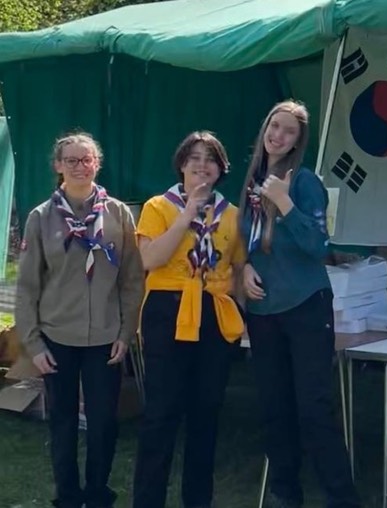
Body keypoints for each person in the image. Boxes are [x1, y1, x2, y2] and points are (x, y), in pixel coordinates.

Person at [239, 101, 360, 508]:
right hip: (263, 312)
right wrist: (244, 268)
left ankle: (342, 497)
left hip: (306, 305)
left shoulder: (304, 182)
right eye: (274, 126)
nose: (278, 136)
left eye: (288, 131)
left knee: (313, 408)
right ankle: (285, 492)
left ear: (298, 141)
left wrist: (285, 203)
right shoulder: (251, 181)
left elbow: (318, 246)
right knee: (274, 407)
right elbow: (247, 241)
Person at [15, 132, 144, 508]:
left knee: (104, 422)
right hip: (58, 337)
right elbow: (27, 286)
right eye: (71, 160)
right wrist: (33, 344)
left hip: (105, 336)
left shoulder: (117, 214)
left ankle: (98, 492)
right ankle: (68, 496)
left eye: (86, 159)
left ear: (97, 164)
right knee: (63, 421)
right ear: (58, 166)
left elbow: (132, 279)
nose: (79, 167)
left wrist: (126, 331)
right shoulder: (41, 217)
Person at [133, 131, 245, 508]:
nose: (202, 165)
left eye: (210, 158)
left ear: (221, 169)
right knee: (161, 414)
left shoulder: (232, 214)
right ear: (181, 164)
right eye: (194, 157)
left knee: (206, 413)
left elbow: (239, 265)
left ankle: (198, 500)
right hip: (168, 310)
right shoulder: (157, 207)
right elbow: (150, 259)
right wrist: (187, 215)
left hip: (213, 312)